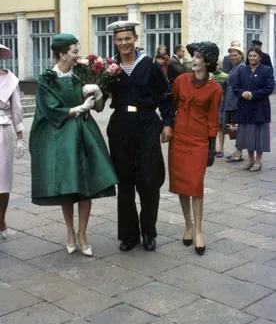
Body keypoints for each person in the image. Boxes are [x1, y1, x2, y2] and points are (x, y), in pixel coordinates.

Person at [29, 33, 117, 256]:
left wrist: (97, 93)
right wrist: (79, 109)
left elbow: (97, 108)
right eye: (74, 51)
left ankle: (82, 234)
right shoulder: (47, 79)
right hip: (62, 138)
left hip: (85, 134)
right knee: (67, 186)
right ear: (62, 53)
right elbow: (50, 109)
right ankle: (70, 232)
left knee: (86, 185)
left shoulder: (82, 73)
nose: (78, 55)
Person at [105, 20, 173, 252]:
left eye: (128, 38)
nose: (124, 43)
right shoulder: (108, 68)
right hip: (121, 125)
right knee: (124, 183)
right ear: (115, 41)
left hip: (146, 124)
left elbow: (165, 96)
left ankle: (149, 232)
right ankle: (128, 235)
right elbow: (101, 97)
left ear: (135, 39)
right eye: (119, 39)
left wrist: (167, 123)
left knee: (148, 180)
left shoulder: (150, 65)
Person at [168, 42, 222, 255]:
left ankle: (199, 230)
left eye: (198, 56)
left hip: (199, 141)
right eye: (193, 56)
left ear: (207, 61)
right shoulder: (181, 81)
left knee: (196, 184)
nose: (193, 59)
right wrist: (167, 126)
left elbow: (213, 118)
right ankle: (188, 225)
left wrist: (211, 146)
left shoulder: (215, 88)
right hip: (179, 138)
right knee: (182, 184)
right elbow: (171, 106)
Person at [233, 46, 274, 171]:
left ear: (260, 57)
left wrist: (253, 94)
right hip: (245, 107)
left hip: (260, 107)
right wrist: (242, 93)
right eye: (250, 56)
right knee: (247, 134)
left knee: (259, 134)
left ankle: (258, 161)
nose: (252, 58)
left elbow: (269, 88)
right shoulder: (242, 70)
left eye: (254, 55)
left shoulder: (266, 70)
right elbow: (235, 87)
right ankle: (250, 160)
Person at [0, 45, 25, 240]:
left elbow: (16, 109)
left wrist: (19, 137)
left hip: (3, 130)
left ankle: (1, 221)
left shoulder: (10, 80)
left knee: (3, 179)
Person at [224, 46, 245, 162]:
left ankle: (239, 152)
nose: (233, 57)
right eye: (231, 55)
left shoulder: (241, 67)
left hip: (236, 101)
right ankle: (237, 150)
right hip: (231, 100)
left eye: (235, 55)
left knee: (238, 128)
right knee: (235, 127)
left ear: (241, 55)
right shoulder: (235, 67)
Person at [210, 61, 228, 158]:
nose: (215, 66)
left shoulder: (225, 76)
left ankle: (221, 149)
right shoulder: (210, 76)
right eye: (214, 64)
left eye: (217, 64)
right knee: (213, 126)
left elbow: (227, 91)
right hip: (212, 103)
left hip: (222, 102)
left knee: (220, 127)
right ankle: (213, 148)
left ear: (220, 65)